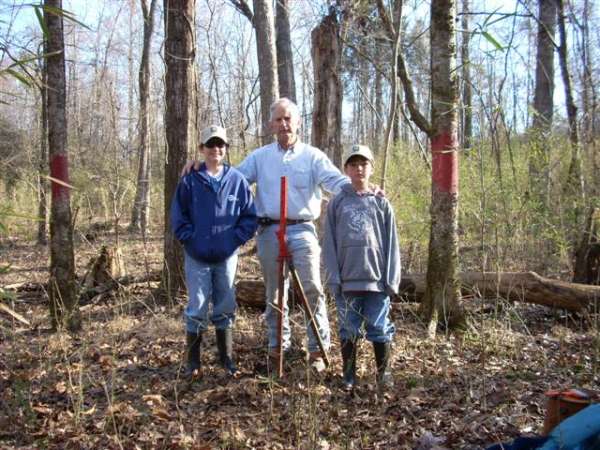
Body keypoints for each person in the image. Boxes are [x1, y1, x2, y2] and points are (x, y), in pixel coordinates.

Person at [182, 98, 349, 372]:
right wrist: (199, 167)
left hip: (303, 229)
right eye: (278, 119)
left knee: (312, 290)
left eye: (288, 119)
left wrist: (362, 188)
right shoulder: (260, 157)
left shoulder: (312, 156)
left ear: (298, 122)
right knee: (274, 293)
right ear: (271, 124)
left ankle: (317, 350)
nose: (284, 124)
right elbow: (229, 179)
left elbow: (336, 181)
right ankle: (276, 347)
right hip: (270, 231)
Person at [171, 125, 258, 377]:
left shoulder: (237, 180)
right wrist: (190, 239)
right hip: (197, 256)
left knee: (225, 305)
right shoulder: (190, 180)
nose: (215, 149)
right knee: (197, 306)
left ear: (226, 149)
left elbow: (249, 217)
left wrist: (234, 240)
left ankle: (226, 359)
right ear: (202, 149)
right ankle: (193, 363)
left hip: (226, 256)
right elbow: (178, 216)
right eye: (211, 145)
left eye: (220, 145)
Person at [322, 144, 401, 391]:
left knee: (379, 326)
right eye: (354, 164)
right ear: (346, 169)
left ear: (371, 167)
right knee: (348, 327)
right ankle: (348, 375)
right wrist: (333, 278)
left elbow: (392, 244)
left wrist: (391, 280)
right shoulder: (337, 204)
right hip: (348, 281)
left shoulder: (381, 204)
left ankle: (383, 373)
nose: (359, 169)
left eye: (363, 164)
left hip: (376, 280)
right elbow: (329, 245)